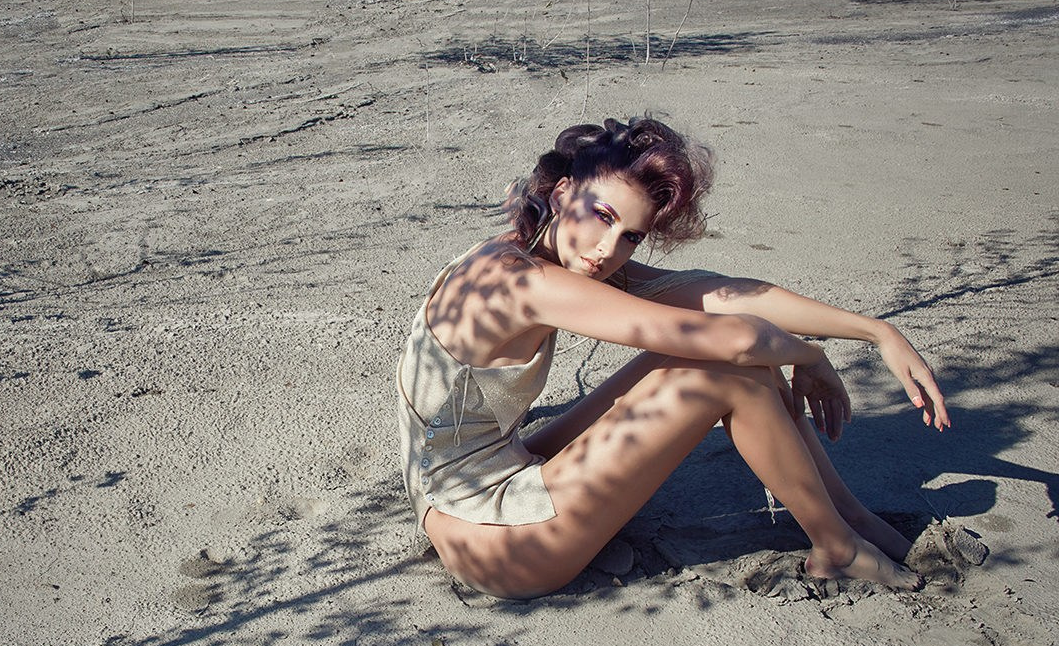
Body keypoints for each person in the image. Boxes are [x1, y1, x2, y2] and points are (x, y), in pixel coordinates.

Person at [395, 115, 949, 600]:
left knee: (727, 356)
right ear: (562, 194)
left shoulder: (522, 250)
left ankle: (848, 517)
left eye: (631, 236)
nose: (608, 249)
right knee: (726, 371)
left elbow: (715, 293)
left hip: (481, 476)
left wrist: (874, 331)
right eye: (602, 215)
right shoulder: (528, 283)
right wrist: (810, 355)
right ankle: (837, 546)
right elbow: (739, 340)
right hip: (493, 542)